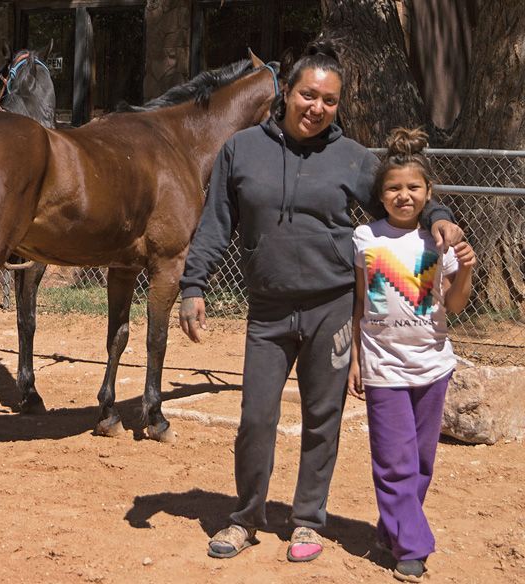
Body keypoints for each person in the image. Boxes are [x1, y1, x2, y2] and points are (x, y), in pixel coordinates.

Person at [177, 40, 464, 563]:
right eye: (308, 94)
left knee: (322, 417)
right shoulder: (241, 149)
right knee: (256, 418)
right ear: (286, 92)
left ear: (338, 105)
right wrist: (194, 285)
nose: (317, 107)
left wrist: (439, 212)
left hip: (331, 307)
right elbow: (217, 222)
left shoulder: (352, 158)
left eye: (329, 100)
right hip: (267, 309)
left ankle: (309, 519)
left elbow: (404, 199)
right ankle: (246, 516)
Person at [347, 128, 475, 583]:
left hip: (434, 365)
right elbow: (361, 302)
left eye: (413, 188)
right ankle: (413, 546)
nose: (404, 196)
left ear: (428, 193)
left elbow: (456, 305)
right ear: (380, 195)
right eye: (394, 188)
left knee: (421, 462)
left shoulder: (439, 242)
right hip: (384, 366)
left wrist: (467, 270)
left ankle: (393, 528)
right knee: (393, 460)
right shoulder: (366, 238)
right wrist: (357, 358)